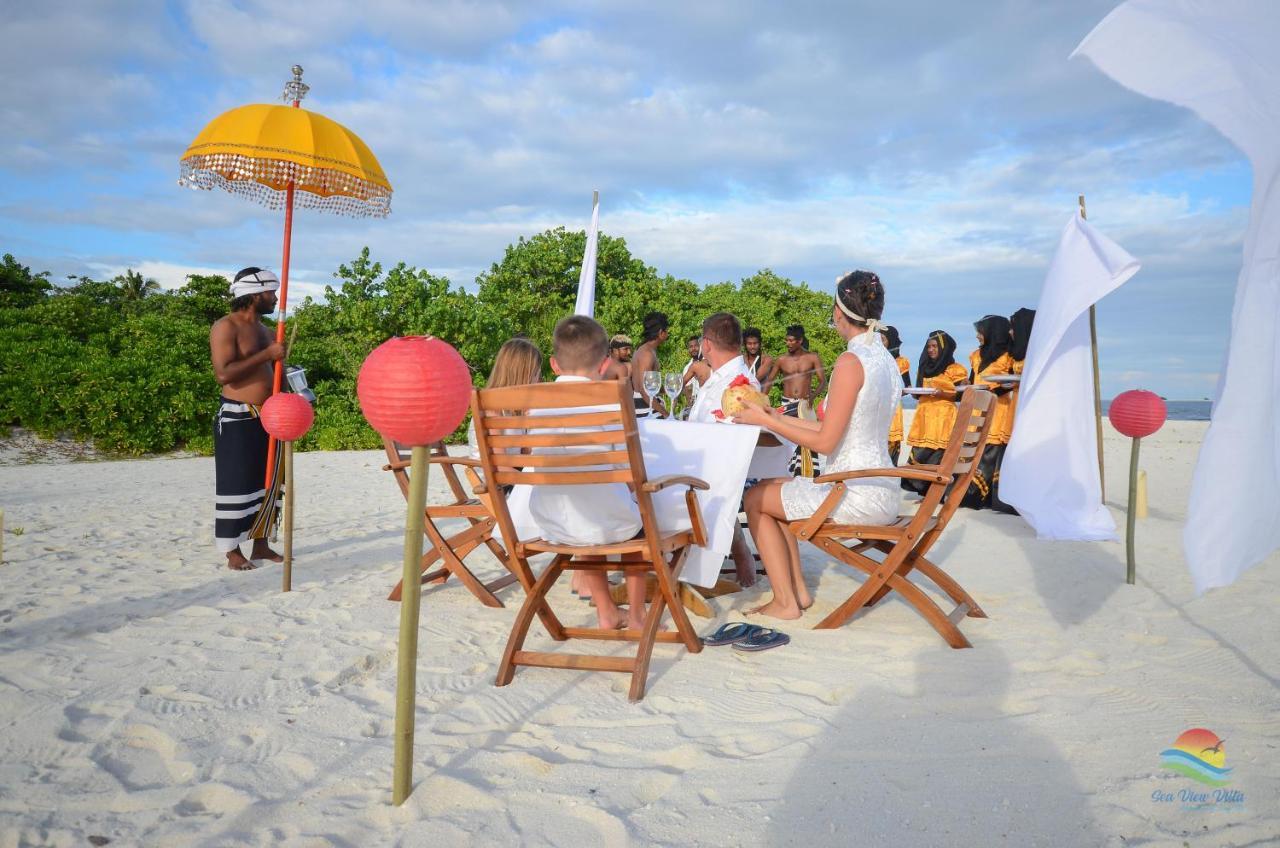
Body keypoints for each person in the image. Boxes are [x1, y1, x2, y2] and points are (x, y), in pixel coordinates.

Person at [737, 271, 901, 619]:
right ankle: (796, 592)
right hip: (880, 484)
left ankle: (785, 602)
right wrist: (774, 414)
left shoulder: (850, 361)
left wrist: (766, 422)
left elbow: (825, 442)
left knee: (754, 498)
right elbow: (832, 426)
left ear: (839, 312)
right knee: (772, 488)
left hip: (853, 491)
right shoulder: (884, 360)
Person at [530, 315, 650, 630]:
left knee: (589, 509)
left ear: (554, 365)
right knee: (639, 519)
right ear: (603, 364)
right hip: (603, 523)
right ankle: (637, 618)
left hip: (552, 523)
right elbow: (628, 471)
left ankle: (606, 612)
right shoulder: (609, 403)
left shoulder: (534, 404)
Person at [210, 267, 287, 571]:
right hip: (236, 416)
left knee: (268, 482)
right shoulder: (225, 327)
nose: (275, 298)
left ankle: (261, 546)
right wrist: (267, 353)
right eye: (271, 293)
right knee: (237, 483)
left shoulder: (268, 330)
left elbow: (278, 370)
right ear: (255, 295)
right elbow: (223, 374)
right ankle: (232, 552)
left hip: (270, 416)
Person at [686, 312, 768, 586]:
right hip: (706, 466)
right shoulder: (721, 376)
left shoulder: (740, 385)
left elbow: (731, 443)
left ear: (706, 344)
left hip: (718, 473)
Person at [902, 331, 968, 496]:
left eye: (934, 346)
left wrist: (942, 394)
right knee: (921, 453)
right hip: (925, 417)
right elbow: (917, 393)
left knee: (938, 455)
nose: (930, 349)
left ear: (944, 348)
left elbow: (961, 394)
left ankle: (937, 494)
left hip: (943, 419)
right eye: (928, 346)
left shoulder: (955, 369)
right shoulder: (924, 367)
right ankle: (925, 493)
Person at [963, 314, 1015, 509]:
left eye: (981, 332)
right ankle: (969, 494)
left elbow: (1012, 383)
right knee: (973, 449)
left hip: (998, 409)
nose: (978, 336)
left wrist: (993, 390)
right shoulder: (976, 355)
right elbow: (973, 378)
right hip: (977, 408)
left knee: (989, 452)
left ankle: (986, 498)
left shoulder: (1007, 356)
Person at [764, 325, 827, 477]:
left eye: (792, 340)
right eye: (787, 340)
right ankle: (784, 474)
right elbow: (770, 381)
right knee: (786, 440)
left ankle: (806, 477)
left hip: (805, 405)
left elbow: (823, 381)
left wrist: (812, 396)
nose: (788, 343)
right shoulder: (781, 360)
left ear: (800, 341)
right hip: (786, 404)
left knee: (806, 442)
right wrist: (763, 401)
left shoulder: (812, 358)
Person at [991, 308, 1036, 514]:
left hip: (1029, 405)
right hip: (1015, 403)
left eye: (1014, 327)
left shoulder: (1037, 353)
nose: (1010, 332)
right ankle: (1007, 499)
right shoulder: (1017, 354)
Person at [879, 325, 911, 465]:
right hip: (877, 406)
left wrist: (896, 391)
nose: (880, 343)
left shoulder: (901, 362)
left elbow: (908, 387)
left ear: (891, 341)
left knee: (891, 443)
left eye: (883, 340)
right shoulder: (875, 360)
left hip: (893, 409)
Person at [630, 312, 669, 418]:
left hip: (646, 406)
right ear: (661, 332)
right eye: (667, 331)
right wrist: (665, 414)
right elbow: (644, 390)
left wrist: (670, 390)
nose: (668, 334)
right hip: (646, 410)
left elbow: (650, 387)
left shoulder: (644, 350)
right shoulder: (646, 354)